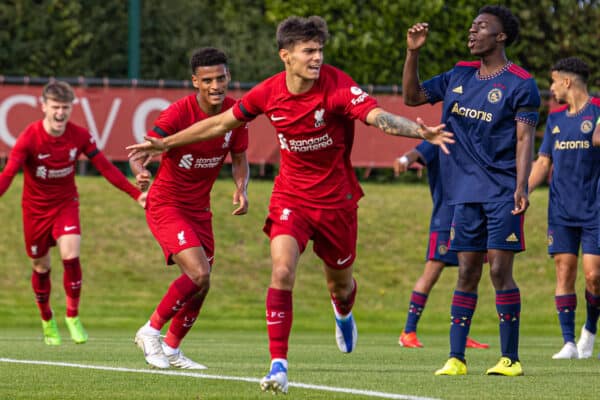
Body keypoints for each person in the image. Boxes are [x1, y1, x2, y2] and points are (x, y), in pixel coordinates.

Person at [127, 16, 453, 394]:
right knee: (281, 272)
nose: (317, 58)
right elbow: (220, 124)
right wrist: (165, 143)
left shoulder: (338, 86)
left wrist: (418, 130)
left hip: (337, 202)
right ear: (286, 56)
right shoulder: (268, 92)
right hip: (290, 199)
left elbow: (378, 118)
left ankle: (343, 311)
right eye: (308, 51)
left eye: (319, 51)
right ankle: (278, 366)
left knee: (341, 284)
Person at [402, 5, 541, 376]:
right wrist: (413, 52)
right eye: (472, 26)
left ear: (501, 36)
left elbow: (524, 138)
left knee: (499, 270)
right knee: (465, 272)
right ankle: (456, 358)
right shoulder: (458, 75)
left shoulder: (521, 83)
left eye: (481, 27)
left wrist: (521, 185)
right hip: (461, 194)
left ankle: (509, 359)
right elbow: (412, 97)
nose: (472, 31)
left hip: (501, 192)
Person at [129, 47, 250, 370]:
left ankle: (171, 349)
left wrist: (241, 188)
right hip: (167, 203)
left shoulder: (234, 114)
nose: (215, 85)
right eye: (207, 80)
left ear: (228, 78)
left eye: (221, 78)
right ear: (195, 81)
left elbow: (239, 158)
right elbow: (142, 150)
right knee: (198, 272)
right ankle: (150, 330)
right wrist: (140, 170)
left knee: (203, 282)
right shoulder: (177, 114)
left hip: (200, 209)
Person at [0, 81, 145, 345]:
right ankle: (47, 320)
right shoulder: (28, 138)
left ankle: (73, 316)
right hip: (34, 212)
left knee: (71, 254)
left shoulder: (79, 135)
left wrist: (136, 194)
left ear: (71, 108)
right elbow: (8, 175)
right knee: (41, 267)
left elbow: (105, 167)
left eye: (65, 108)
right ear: (43, 106)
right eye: (55, 107)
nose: (60, 113)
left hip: (66, 204)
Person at [529, 57, 600, 360]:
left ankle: (589, 331)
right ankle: (569, 342)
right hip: (561, 210)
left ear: (567, 81)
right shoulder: (556, 120)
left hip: (594, 208)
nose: (552, 87)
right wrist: (522, 193)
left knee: (594, 276)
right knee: (564, 271)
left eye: (554, 81)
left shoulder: (598, 109)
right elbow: (544, 162)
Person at [393, 142, 488, 350]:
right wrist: (403, 160)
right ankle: (408, 331)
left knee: (471, 274)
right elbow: (416, 153)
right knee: (431, 274)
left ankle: (462, 333)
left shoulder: (474, 136)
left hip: (472, 217)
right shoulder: (442, 137)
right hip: (445, 221)